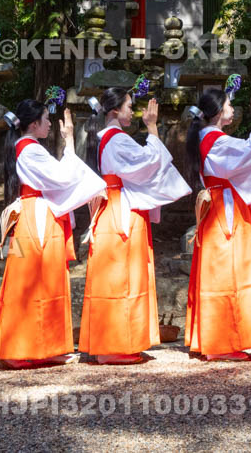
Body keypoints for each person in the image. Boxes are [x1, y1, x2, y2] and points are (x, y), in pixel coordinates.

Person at [0, 100, 105, 368]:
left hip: (36, 213)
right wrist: (70, 141)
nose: (50, 123)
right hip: (37, 216)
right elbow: (62, 177)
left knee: (40, 280)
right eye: (46, 119)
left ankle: (44, 347)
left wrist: (69, 141)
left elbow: (58, 177)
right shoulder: (30, 150)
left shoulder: (27, 148)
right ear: (33, 123)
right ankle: (21, 348)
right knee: (37, 280)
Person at [79, 88, 191, 364]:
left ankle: (114, 344)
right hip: (121, 212)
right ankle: (113, 346)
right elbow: (148, 162)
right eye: (130, 106)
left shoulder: (109, 139)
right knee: (122, 277)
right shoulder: (116, 140)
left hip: (115, 207)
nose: (133, 111)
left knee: (118, 276)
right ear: (115, 110)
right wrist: (152, 127)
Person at [184, 80, 251, 361]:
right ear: (219, 111)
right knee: (229, 271)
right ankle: (222, 343)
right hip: (225, 211)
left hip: (219, 206)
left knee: (221, 270)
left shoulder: (207, 138)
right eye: (229, 104)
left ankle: (218, 340)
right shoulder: (215, 140)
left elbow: (247, 154)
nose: (232, 108)